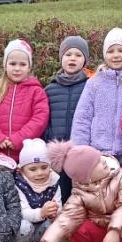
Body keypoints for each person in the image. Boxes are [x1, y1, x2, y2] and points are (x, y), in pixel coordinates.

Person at [33, 141, 122, 242]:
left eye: (100, 157)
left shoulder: (121, 176)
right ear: (87, 177)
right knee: (76, 225)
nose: (103, 161)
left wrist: (114, 230)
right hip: (99, 227)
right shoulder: (80, 192)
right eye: (97, 163)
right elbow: (67, 218)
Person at [71, 28, 122, 177]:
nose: (116, 55)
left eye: (121, 50)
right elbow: (83, 118)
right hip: (98, 154)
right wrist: (81, 150)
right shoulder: (94, 83)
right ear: (104, 55)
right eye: (110, 51)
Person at [0, 39, 49, 162]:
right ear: (5, 65)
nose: (17, 68)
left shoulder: (37, 91)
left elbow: (40, 119)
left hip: (26, 156)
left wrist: (18, 139)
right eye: (12, 63)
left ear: (29, 67)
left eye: (22, 64)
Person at [44, 35, 92, 202]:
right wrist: (49, 139)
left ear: (85, 60)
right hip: (56, 154)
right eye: (68, 54)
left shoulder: (90, 86)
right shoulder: (50, 89)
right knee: (60, 197)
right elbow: (44, 120)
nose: (72, 58)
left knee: (82, 197)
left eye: (78, 55)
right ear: (61, 58)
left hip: (80, 151)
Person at [13, 138, 61, 242]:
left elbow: (59, 207)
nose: (39, 173)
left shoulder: (54, 184)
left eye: (44, 167)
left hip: (41, 230)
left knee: (55, 223)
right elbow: (21, 213)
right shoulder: (19, 186)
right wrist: (41, 213)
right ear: (22, 170)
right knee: (23, 225)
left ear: (50, 166)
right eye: (33, 169)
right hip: (24, 231)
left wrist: (54, 212)